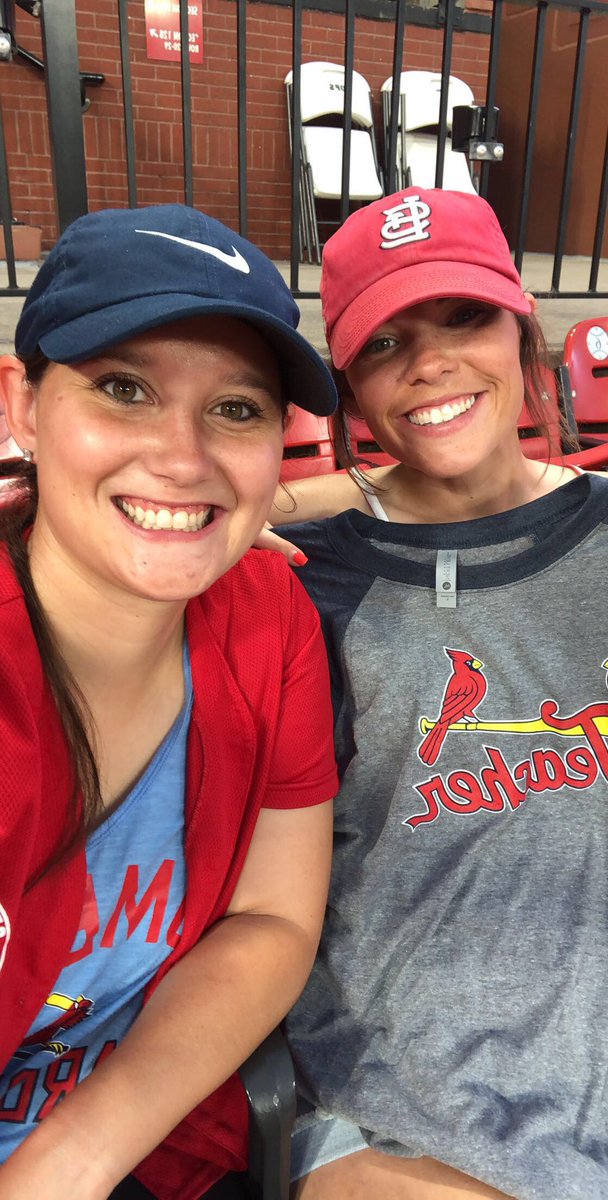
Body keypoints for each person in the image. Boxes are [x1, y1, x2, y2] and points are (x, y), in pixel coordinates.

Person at [267, 188, 608, 1199]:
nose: (432, 362)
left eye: (464, 317)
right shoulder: (304, 580)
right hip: (417, 1108)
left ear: (525, 327)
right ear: (351, 391)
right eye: (387, 342)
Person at [0, 204, 339, 1200]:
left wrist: (74, 1158)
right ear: (22, 405)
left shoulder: (268, 615)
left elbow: (274, 918)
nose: (184, 458)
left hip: (152, 1149)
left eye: (236, 409)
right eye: (123, 388)